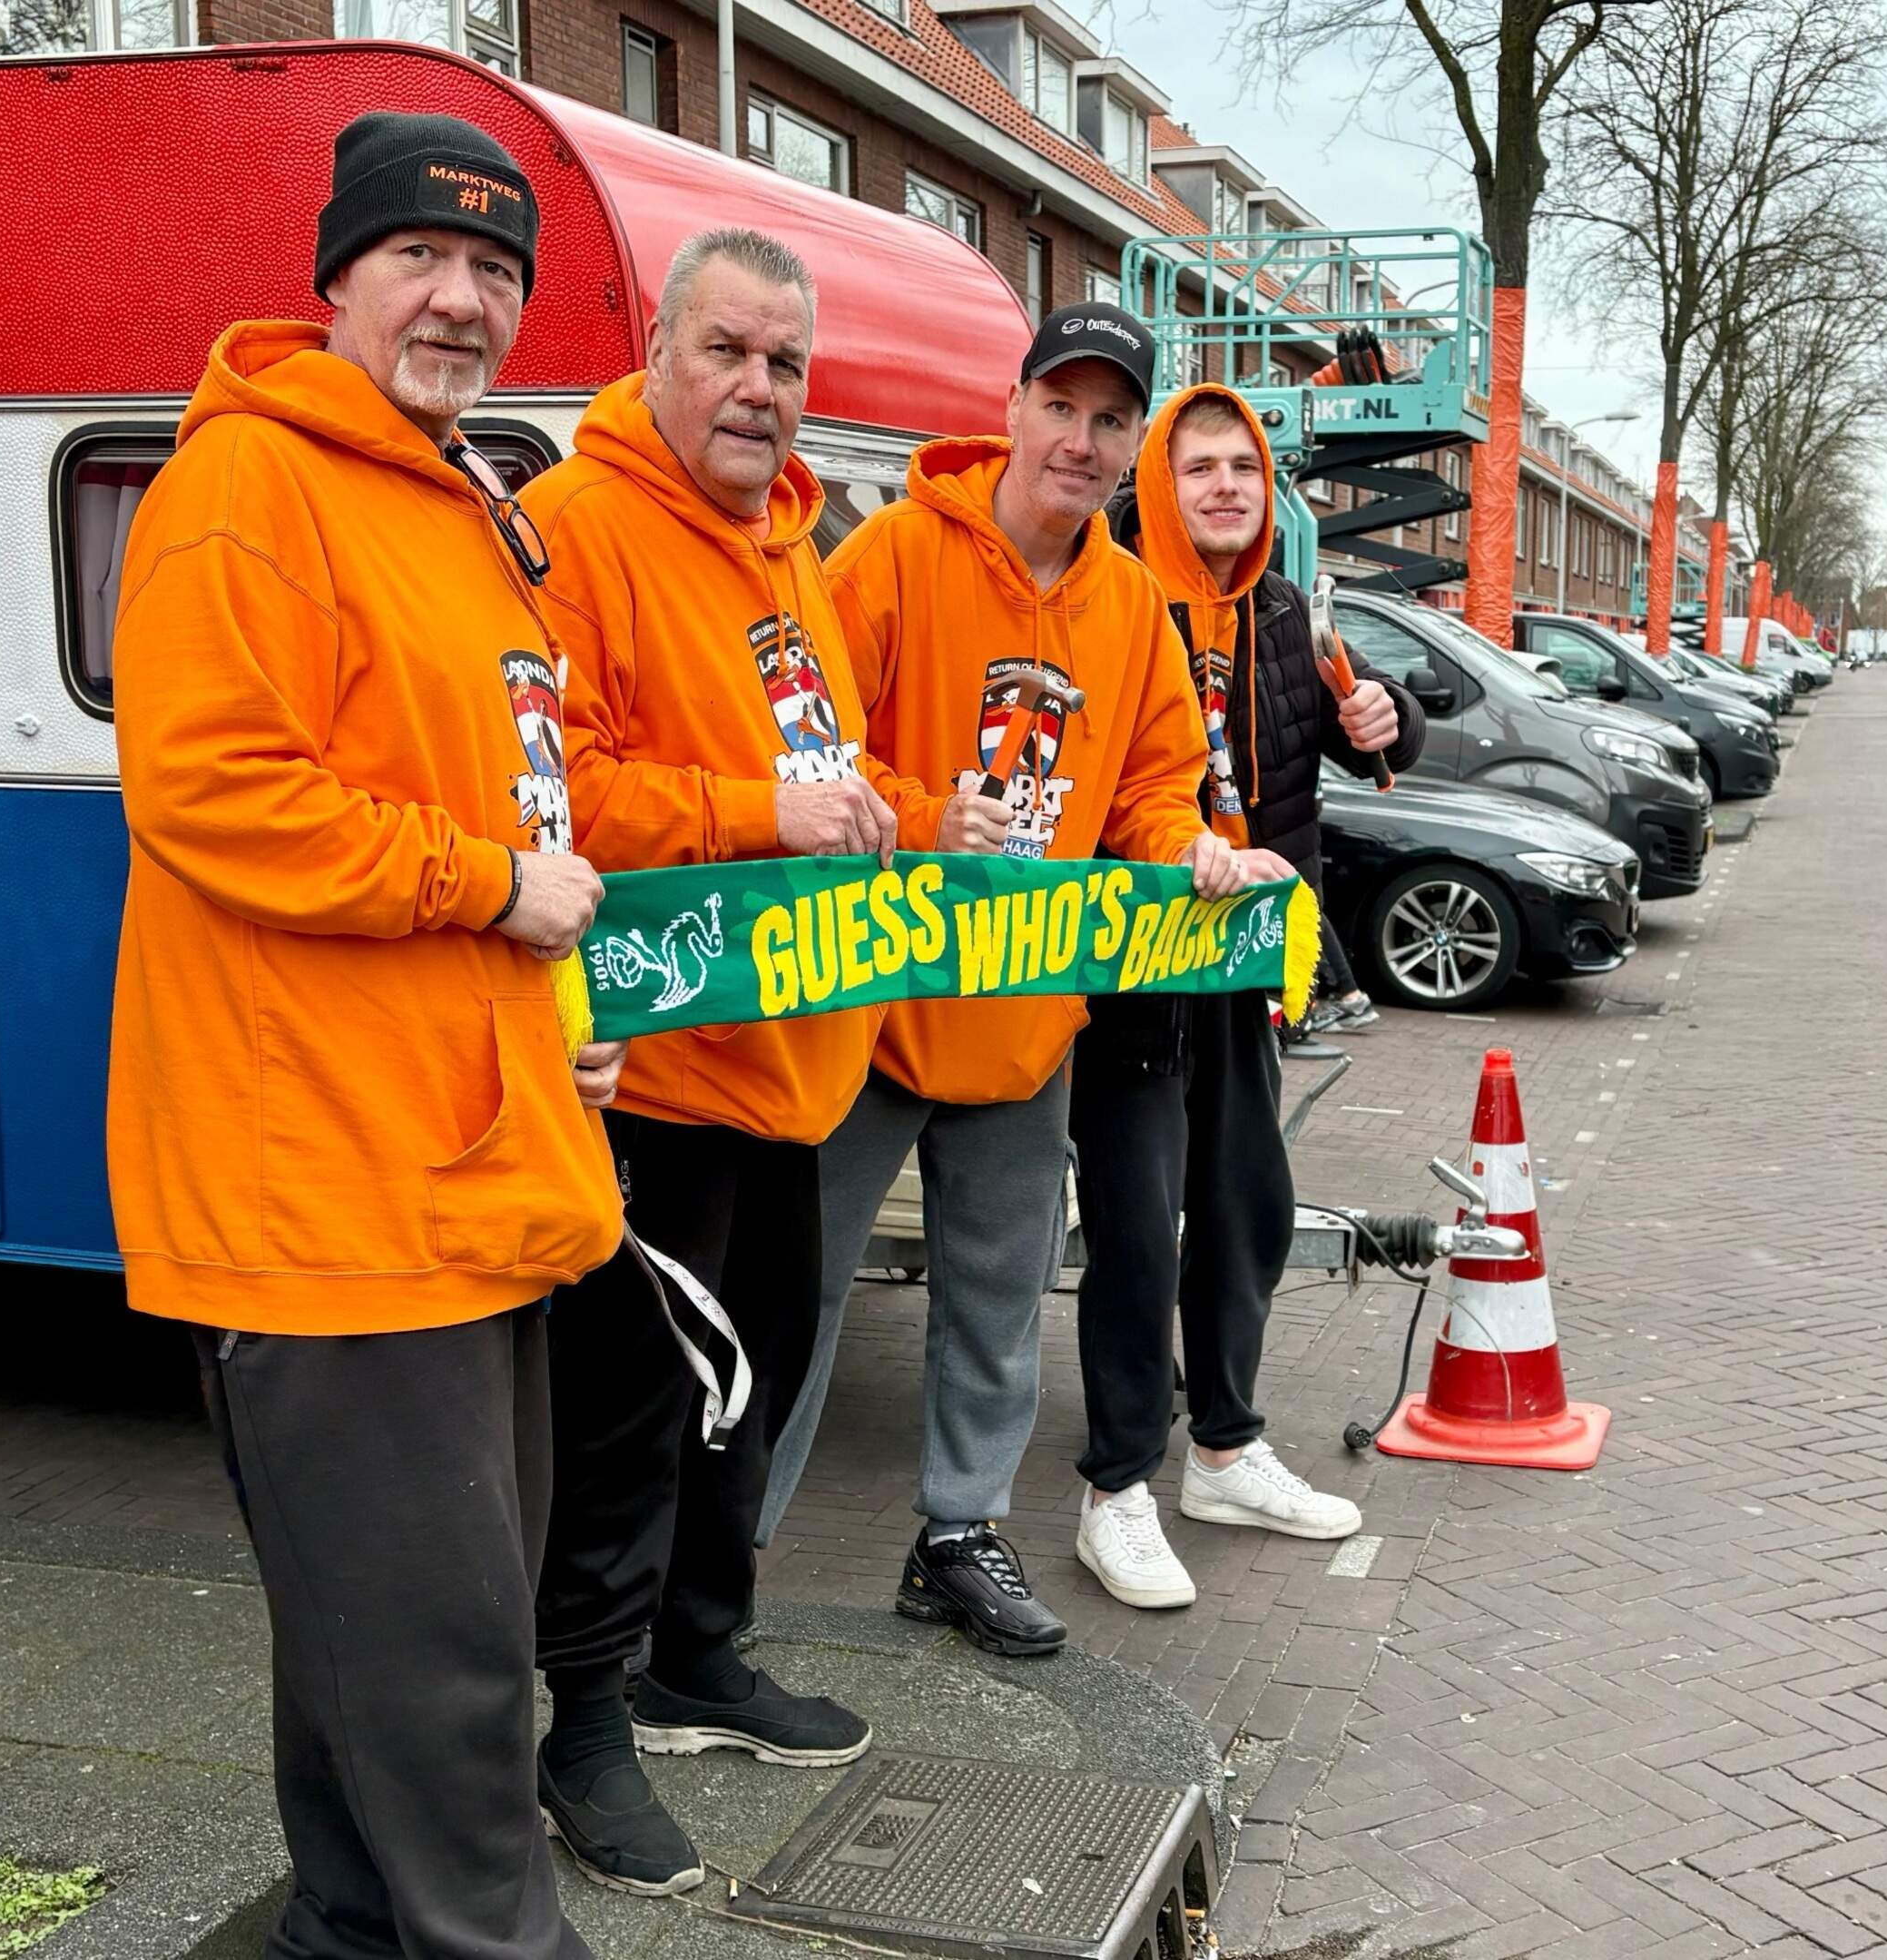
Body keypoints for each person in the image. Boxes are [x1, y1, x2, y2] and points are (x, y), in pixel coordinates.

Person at [106, 110, 620, 1960]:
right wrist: (491, 891)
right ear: (338, 275)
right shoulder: (250, 488)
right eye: (422, 256)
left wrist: (544, 998)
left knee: (372, 1657)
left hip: (469, 1164)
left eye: (498, 270)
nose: (462, 299)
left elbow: (510, 802)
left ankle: (348, 1935)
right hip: (329, 1194)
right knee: (450, 1680)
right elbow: (213, 790)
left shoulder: (468, 509)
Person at [518, 226, 996, 1897]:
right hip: (654, 1070)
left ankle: (694, 1656)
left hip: (792, 1061)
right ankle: (579, 1720)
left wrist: (929, 812)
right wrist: (757, 814)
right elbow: (551, 785)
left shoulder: (794, 543)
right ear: (660, 349)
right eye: (727, 352)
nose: (758, 390)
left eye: (785, 365)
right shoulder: (574, 530)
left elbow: (824, 759)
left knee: (761, 1381)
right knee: (631, 1408)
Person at [760, 302, 1274, 1656]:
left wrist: (1197, 855)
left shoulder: (1132, 610)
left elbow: (1154, 790)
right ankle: (725, 1554)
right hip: (860, 1012)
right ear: (1016, 406)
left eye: (1113, 421)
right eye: (1065, 407)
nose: (1085, 440)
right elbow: (810, 741)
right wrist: (923, 812)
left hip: (1024, 1021)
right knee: (794, 1297)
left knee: (996, 1298)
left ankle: (958, 1535)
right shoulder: (892, 555)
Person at [1065, 381, 1424, 1610]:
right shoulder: (1104, 599)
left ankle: (1224, 1450)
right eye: (1199, 465)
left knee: (1244, 1211)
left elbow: (1374, 732)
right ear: (1156, 482)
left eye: (1246, 469)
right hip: (1129, 967)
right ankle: (1116, 1488)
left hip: (1246, 970)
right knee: (1129, 1229)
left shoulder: (1285, 612)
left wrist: (1388, 715)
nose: (1226, 486)